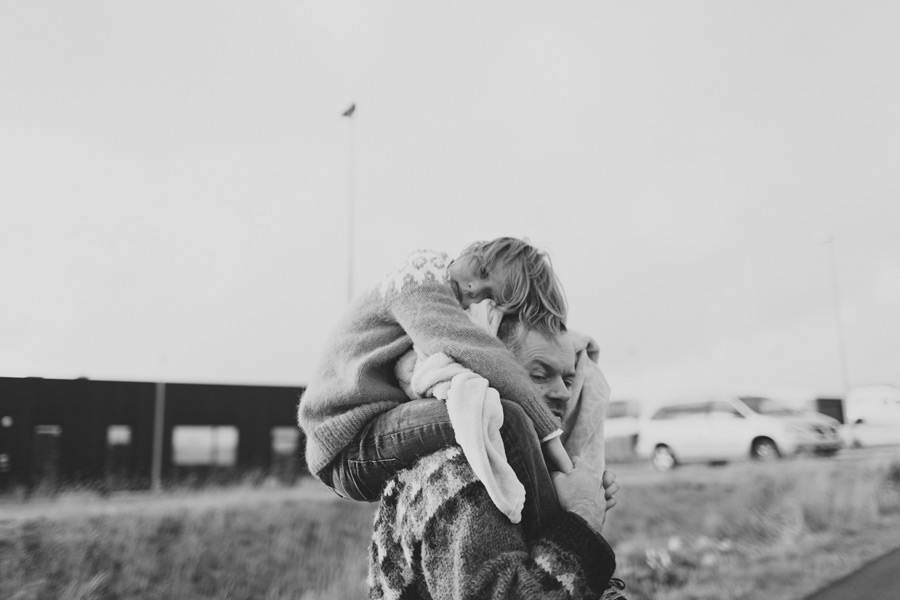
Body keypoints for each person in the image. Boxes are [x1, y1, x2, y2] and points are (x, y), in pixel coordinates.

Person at [298, 238, 574, 518]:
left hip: (372, 430)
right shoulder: (421, 274)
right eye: (484, 279)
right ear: (475, 261)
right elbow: (473, 348)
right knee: (506, 419)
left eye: (491, 300)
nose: (475, 294)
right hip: (348, 443)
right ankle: (561, 527)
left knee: (495, 414)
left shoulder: (443, 294)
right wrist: (551, 437)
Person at [368, 316, 627, 599]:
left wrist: (572, 511)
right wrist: (584, 513)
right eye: (539, 375)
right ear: (488, 371)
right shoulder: (458, 474)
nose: (564, 393)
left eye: (568, 379)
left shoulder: (510, 466)